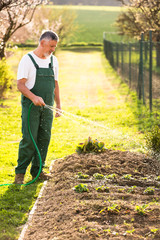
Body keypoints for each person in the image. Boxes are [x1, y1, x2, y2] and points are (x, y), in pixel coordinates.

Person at [14, 30, 61, 184]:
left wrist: (58, 105)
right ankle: (20, 174)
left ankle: (38, 171)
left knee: (44, 138)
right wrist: (33, 97)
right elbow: (20, 85)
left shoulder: (53, 61)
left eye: (54, 47)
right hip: (31, 107)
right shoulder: (27, 60)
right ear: (42, 43)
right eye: (51, 46)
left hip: (47, 107)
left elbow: (55, 84)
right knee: (29, 139)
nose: (53, 49)